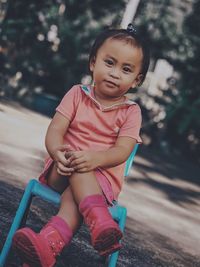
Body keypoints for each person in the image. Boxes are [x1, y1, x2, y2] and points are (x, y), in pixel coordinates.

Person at [12, 23, 150, 267]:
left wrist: (95, 159)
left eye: (126, 69)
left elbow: (123, 151)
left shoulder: (131, 112)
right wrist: (57, 152)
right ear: (93, 63)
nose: (115, 73)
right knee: (76, 162)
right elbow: (55, 130)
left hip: (101, 183)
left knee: (72, 199)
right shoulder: (77, 94)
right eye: (109, 62)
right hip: (61, 170)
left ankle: (47, 246)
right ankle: (99, 220)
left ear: (136, 80)